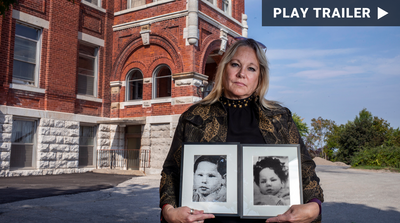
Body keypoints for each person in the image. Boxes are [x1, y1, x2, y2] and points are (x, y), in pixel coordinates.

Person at [159, 38, 324, 223]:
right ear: (224, 69)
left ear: (260, 77)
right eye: (235, 64)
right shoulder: (194, 117)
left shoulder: (279, 118)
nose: (241, 74)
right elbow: (171, 171)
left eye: (251, 68)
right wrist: (169, 211)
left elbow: (305, 167)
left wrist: (314, 205)